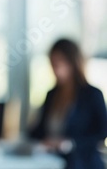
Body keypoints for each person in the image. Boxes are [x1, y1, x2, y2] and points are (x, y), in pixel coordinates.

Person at [29, 39, 107, 169]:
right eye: (52, 63)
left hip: (83, 163)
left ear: (72, 62)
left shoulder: (92, 94)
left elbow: (103, 131)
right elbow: (38, 130)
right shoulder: (52, 94)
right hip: (52, 162)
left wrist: (70, 144)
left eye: (59, 62)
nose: (55, 68)